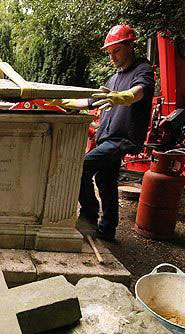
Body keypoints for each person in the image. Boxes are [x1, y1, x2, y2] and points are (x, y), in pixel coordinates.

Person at [49, 24, 155, 240]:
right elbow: (91, 101)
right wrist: (62, 101)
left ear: (129, 46)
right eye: (109, 52)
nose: (112, 56)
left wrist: (124, 96)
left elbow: (139, 91)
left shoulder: (142, 69)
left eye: (116, 50)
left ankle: (88, 216)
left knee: (80, 168)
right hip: (107, 137)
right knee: (105, 182)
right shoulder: (113, 79)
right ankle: (107, 229)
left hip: (122, 139)